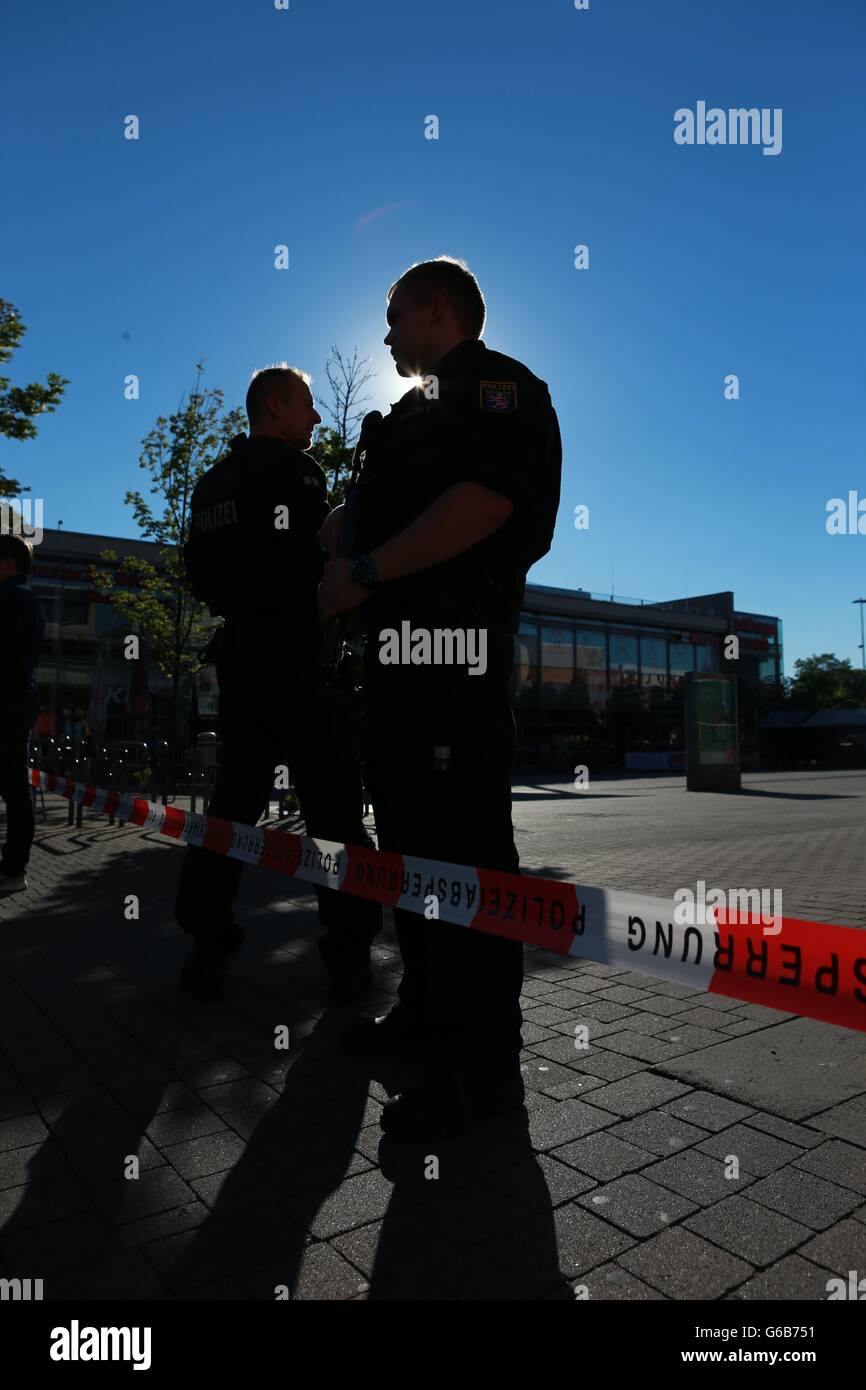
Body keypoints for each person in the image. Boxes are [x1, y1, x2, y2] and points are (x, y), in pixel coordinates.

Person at [318, 257, 562, 1140]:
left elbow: (487, 503)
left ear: (434, 307)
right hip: (394, 670)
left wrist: (369, 571)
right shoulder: (412, 416)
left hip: (451, 662)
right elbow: (371, 520)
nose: (383, 333)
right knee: (416, 857)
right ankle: (426, 1019)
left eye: (392, 314)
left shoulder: (497, 389)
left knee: (462, 859)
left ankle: (482, 1072)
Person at [175, 363, 381, 1001]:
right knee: (335, 814)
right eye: (308, 406)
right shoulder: (293, 474)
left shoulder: (210, 485)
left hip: (242, 662)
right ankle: (348, 959)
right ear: (273, 406)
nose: (317, 419)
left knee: (230, 808)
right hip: (301, 664)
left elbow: (197, 576)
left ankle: (207, 946)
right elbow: (327, 555)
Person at [0, 535, 45, 896]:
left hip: (8, 702)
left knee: (15, 788)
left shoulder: (12, 598)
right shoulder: (24, 598)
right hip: (15, 701)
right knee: (15, 787)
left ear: (8, 563)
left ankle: (14, 869)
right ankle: (14, 868)